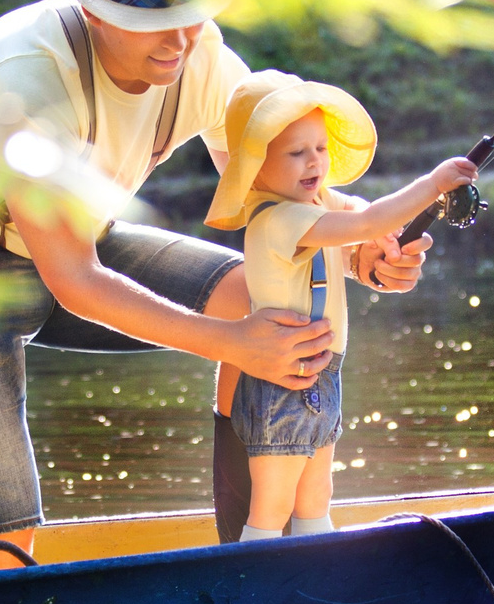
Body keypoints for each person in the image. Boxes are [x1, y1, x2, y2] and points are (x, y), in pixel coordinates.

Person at [0, 0, 430, 554]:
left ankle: (252, 554)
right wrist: (233, 343)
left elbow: (281, 193)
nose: (182, 40)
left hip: (78, 238)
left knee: (259, 298)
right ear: (94, 12)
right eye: (161, 20)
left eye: (193, 15)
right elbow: (76, 280)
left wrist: (361, 247)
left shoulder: (198, 56)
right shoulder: (28, 81)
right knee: (7, 525)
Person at [204, 74, 477, 541]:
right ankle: (253, 587)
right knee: (272, 503)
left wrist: (383, 237)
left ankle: (317, 578)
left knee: (317, 494)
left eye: (320, 149)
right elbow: (367, 220)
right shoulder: (277, 218)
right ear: (255, 166)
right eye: (296, 152)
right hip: (281, 381)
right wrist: (431, 186)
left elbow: (359, 210)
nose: (314, 161)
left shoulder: (315, 198)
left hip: (324, 373)